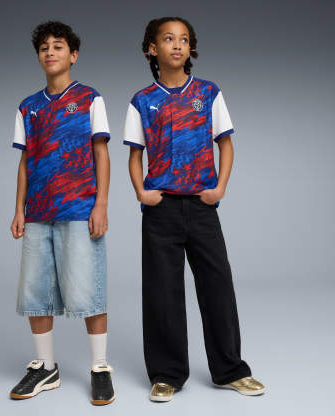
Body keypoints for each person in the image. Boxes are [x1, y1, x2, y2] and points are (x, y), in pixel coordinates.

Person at [123, 16, 265, 402]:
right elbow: (134, 155)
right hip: (160, 210)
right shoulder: (142, 101)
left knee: (218, 287)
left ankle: (230, 370)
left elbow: (226, 144)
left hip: (202, 207)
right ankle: (166, 374)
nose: (177, 45)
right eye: (168, 39)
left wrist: (220, 188)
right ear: (152, 49)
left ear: (191, 48)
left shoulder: (208, 92)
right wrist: (141, 192)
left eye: (184, 39)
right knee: (162, 293)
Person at [9, 21, 114, 406]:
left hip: (79, 209)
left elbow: (101, 153)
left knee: (88, 289)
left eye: (58, 46)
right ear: (38, 57)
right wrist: (19, 210)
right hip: (38, 212)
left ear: (73, 55)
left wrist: (100, 204)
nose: (50, 52)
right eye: (44, 48)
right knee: (36, 291)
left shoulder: (89, 98)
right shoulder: (28, 106)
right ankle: (46, 367)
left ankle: (100, 367)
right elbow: (25, 162)